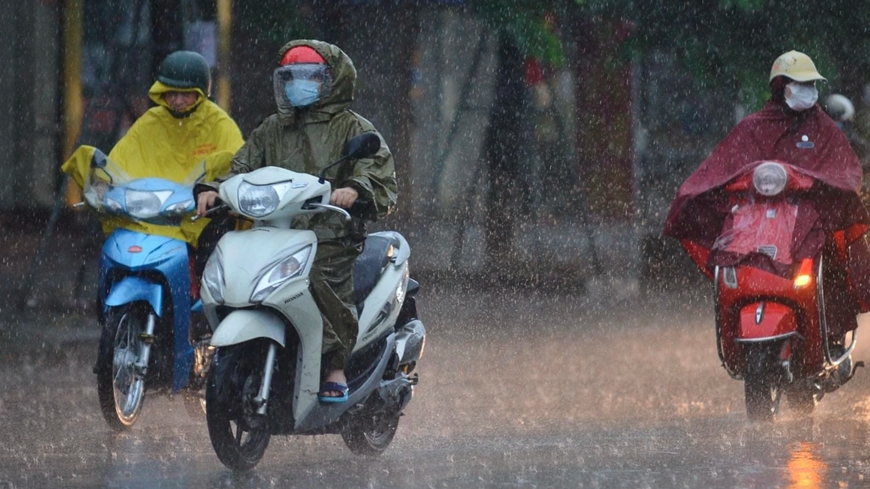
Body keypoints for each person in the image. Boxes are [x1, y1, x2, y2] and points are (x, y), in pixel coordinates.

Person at [195, 40, 398, 403]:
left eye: (308, 76)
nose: (296, 85)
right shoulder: (273, 128)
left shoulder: (353, 127)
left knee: (317, 276)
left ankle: (334, 363)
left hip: (330, 234)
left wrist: (354, 188)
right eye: (289, 77)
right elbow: (242, 165)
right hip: (273, 231)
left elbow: (375, 170)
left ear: (330, 80)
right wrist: (214, 189)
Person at [663, 50, 870, 356]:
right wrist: (705, 194)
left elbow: (846, 172)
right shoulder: (752, 127)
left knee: (833, 258)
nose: (808, 90)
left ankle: (832, 335)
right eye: (800, 84)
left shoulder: (824, 129)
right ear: (782, 87)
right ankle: (736, 331)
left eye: (811, 84)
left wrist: (820, 190)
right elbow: (722, 169)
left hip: (808, 224)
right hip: (759, 225)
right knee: (731, 257)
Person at [63, 50, 244, 260]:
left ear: (201, 92)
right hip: (145, 223)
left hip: (196, 222)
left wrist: (217, 191)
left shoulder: (219, 124)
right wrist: (103, 186)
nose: (177, 100)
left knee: (213, 265)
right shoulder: (150, 122)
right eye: (171, 93)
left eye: (185, 94)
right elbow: (118, 163)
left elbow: (238, 165)